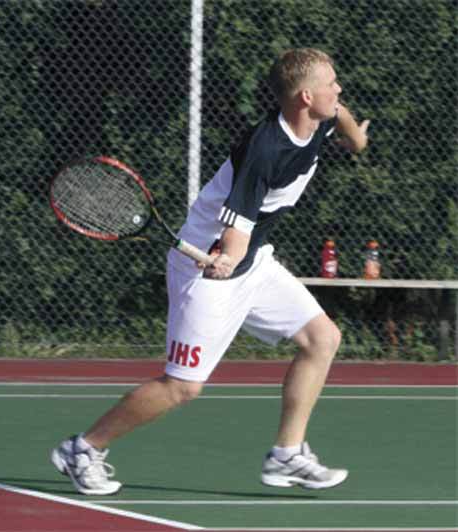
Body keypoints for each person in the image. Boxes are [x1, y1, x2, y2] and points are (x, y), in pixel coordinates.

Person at [51, 47, 370, 495]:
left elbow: (343, 116)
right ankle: (82, 448)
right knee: (182, 387)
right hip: (206, 269)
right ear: (303, 97)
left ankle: (287, 455)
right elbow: (234, 230)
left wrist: (356, 140)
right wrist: (226, 260)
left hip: (253, 262)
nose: (338, 89)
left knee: (323, 339)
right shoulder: (265, 149)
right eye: (329, 83)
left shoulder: (323, 115)